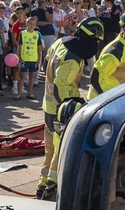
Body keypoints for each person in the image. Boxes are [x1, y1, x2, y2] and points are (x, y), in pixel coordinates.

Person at [37, 17, 105, 199]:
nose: (95, 45)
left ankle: (41, 184)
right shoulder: (73, 60)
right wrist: (75, 105)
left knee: (49, 149)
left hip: (47, 105)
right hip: (60, 110)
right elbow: (61, 86)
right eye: (95, 41)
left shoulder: (61, 42)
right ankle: (51, 189)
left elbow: (45, 65)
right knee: (60, 152)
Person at [89, 9, 125, 100]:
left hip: (117, 94)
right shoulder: (115, 52)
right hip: (101, 101)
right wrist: (108, 99)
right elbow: (96, 77)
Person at [15, 13, 43, 100]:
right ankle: (18, 94)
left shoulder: (37, 34)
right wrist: (20, 56)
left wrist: (39, 58)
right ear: (26, 24)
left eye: (33, 24)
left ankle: (29, 93)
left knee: (32, 76)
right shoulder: (22, 34)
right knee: (22, 76)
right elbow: (19, 46)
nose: (32, 26)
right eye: (30, 24)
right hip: (25, 58)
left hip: (34, 59)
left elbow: (39, 47)